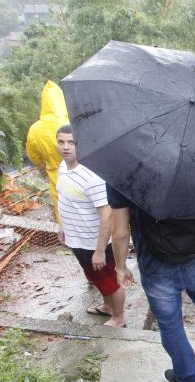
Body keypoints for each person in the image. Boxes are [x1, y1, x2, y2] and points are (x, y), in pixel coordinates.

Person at [108, 186, 195, 382]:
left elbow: (120, 231)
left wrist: (121, 266)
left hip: (155, 262)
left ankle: (187, 378)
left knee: (170, 324)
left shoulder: (122, 170)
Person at [55, 125, 125, 328]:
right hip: (77, 239)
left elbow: (107, 215)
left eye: (71, 142)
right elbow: (64, 200)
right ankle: (107, 307)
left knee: (111, 280)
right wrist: (62, 226)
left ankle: (119, 318)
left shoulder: (91, 176)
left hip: (95, 242)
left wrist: (100, 250)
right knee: (96, 277)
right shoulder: (62, 167)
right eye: (61, 142)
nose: (66, 147)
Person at [26, 81, 69, 221]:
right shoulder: (71, 123)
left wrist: (45, 164)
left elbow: (34, 157)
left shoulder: (34, 129)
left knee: (64, 215)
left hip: (56, 178)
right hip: (81, 175)